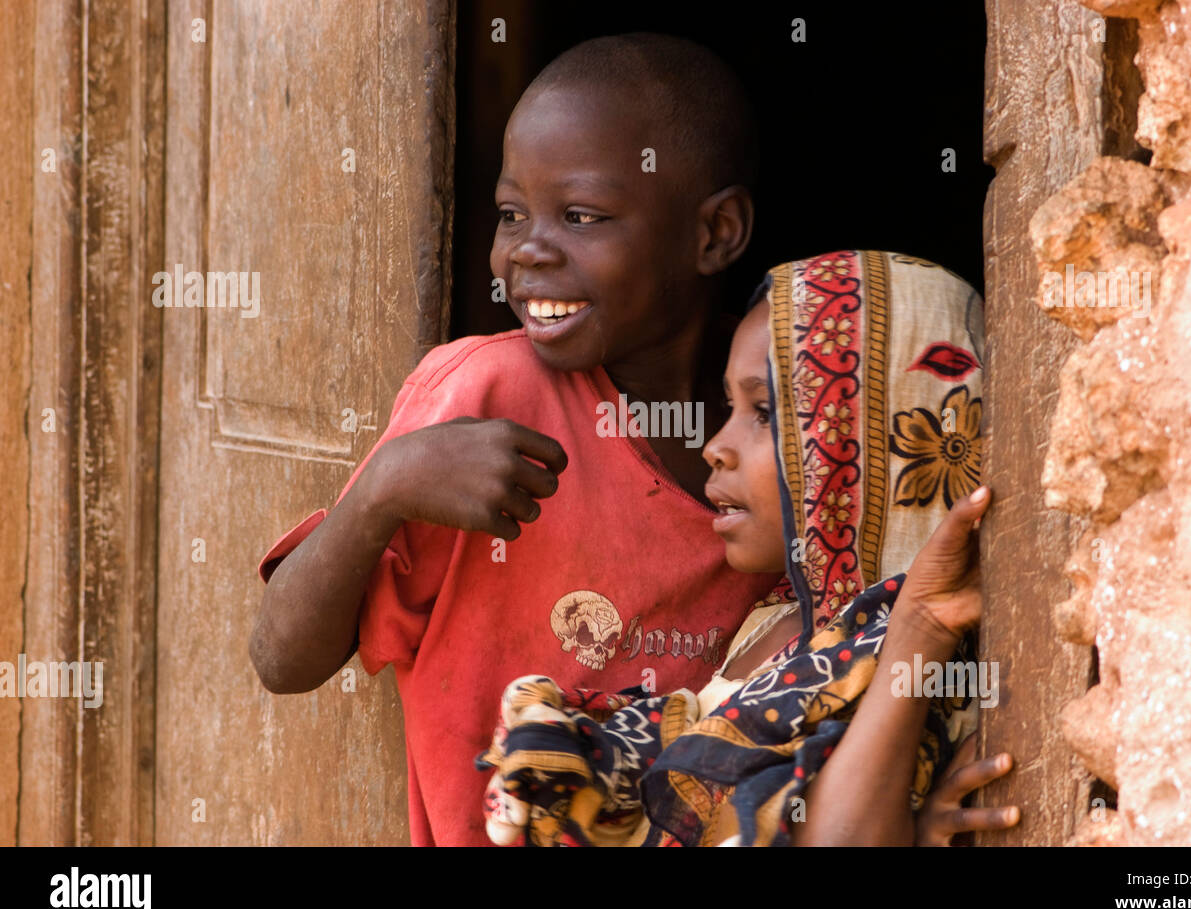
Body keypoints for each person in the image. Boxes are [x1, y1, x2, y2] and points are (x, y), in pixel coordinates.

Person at [248, 34, 782, 846]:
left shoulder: (779, 433)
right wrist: (386, 485)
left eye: (580, 215)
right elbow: (281, 658)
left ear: (715, 233)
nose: (526, 249)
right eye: (510, 213)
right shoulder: (482, 400)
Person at [479, 249, 1020, 845]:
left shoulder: (926, 655)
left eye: (762, 413)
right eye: (730, 407)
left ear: (870, 436)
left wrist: (920, 624)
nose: (716, 446)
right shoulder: (782, 619)